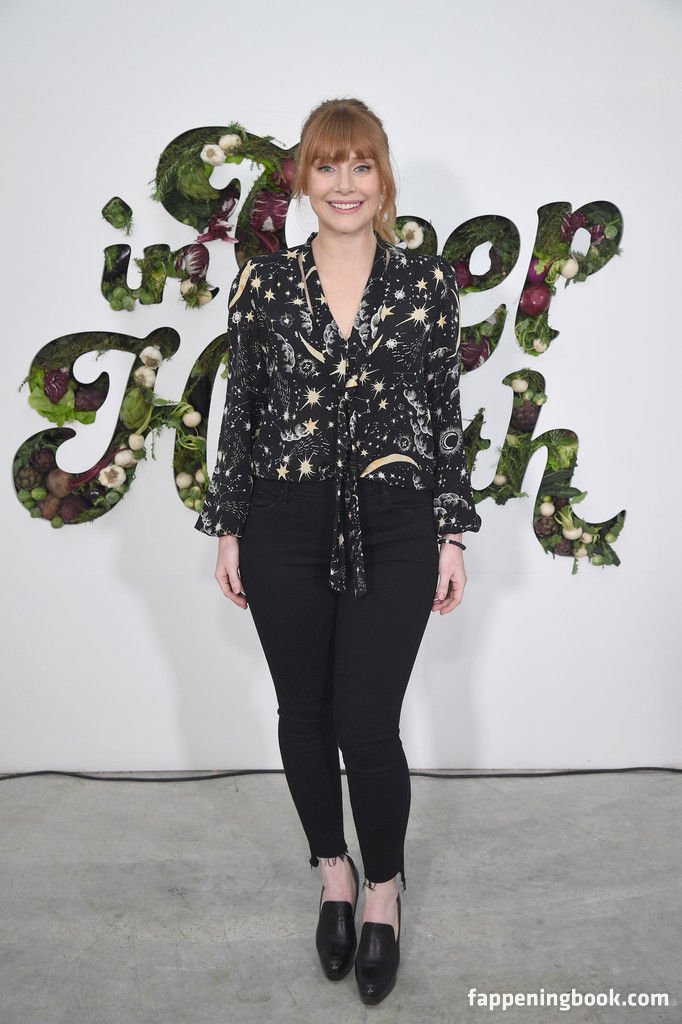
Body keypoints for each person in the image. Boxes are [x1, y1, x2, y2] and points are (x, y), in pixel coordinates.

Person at [195, 97, 482, 1005]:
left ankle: (384, 887)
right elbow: (242, 409)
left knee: (366, 723)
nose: (345, 184)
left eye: (361, 166)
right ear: (303, 180)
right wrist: (230, 526)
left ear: (383, 177)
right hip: (283, 518)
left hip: (396, 521)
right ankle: (334, 873)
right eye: (327, 166)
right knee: (303, 714)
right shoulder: (264, 284)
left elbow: (444, 412)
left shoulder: (427, 282)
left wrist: (449, 533)